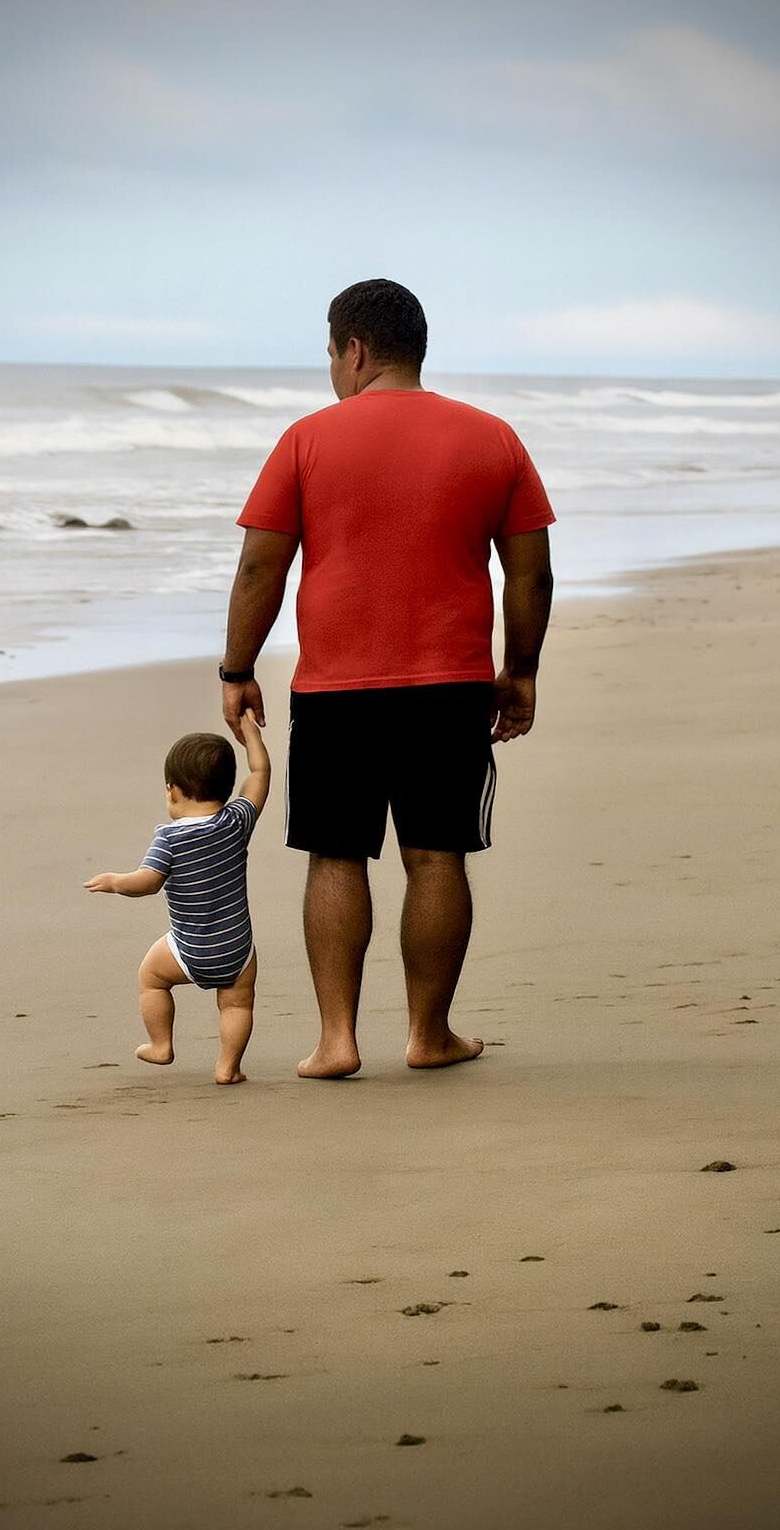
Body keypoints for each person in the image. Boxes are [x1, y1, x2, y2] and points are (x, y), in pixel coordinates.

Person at [220, 278, 554, 1080]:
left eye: (331, 355)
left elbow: (261, 566)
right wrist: (522, 670)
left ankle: (337, 1041)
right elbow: (531, 576)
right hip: (450, 685)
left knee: (335, 856)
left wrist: (237, 667)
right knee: (436, 857)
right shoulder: (492, 438)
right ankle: (428, 1035)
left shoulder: (306, 440)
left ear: (355, 350)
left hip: (335, 689)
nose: (332, 371)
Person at [84, 713, 270, 1085]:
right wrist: (250, 733)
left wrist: (116, 881)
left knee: (151, 978)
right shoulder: (237, 821)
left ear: (172, 790)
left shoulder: (169, 839)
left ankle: (160, 1044)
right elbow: (260, 774)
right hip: (237, 949)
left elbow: (149, 882)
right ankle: (227, 1067)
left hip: (188, 948)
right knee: (236, 1003)